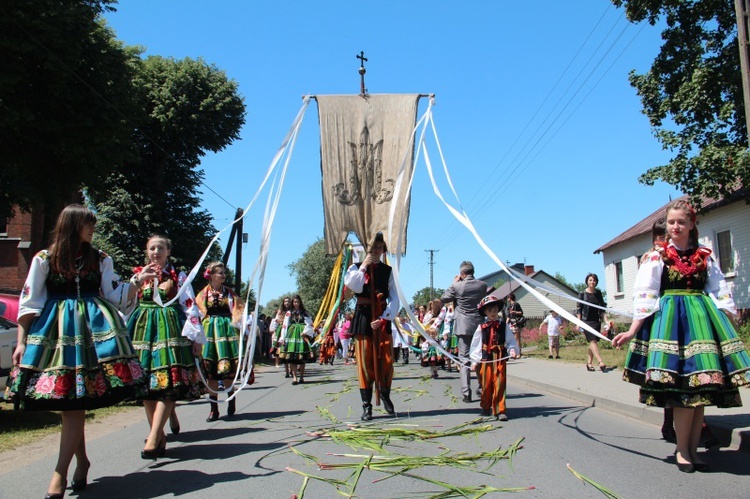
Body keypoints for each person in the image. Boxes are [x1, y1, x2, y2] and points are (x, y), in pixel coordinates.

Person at [7, 205, 151, 498]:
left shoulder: (101, 259)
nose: (93, 229)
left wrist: (137, 281)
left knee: (75, 405)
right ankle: (82, 462)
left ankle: (59, 475)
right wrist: (22, 341)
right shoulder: (44, 259)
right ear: (73, 225)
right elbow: (30, 301)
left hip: (93, 337)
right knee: (70, 403)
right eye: (88, 224)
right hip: (56, 335)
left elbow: (114, 295)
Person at [612, 200, 750, 473]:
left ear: (691, 225)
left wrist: (729, 316)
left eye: (681, 222)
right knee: (684, 392)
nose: (676, 227)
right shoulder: (658, 256)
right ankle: (682, 450)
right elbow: (647, 295)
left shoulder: (703, 256)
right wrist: (632, 330)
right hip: (671, 323)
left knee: (700, 391)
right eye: (672, 222)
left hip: (701, 322)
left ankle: (692, 450)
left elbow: (718, 288)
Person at [127, 234, 205, 460]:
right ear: (146, 251)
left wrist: (196, 339)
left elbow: (190, 307)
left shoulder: (178, 276)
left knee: (168, 382)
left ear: (168, 251)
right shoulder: (138, 275)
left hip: (170, 332)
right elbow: (126, 304)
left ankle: (152, 437)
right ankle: (158, 434)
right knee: (146, 386)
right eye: (152, 248)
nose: (156, 252)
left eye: (160, 248)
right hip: (142, 332)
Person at [344, 233, 399, 420]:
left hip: (382, 316)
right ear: (366, 249)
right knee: (365, 361)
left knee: (386, 360)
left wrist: (384, 318)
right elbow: (354, 287)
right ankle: (366, 405)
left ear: (383, 250)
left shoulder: (388, 271)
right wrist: (365, 266)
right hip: (363, 316)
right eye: (372, 247)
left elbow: (395, 297)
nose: (375, 250)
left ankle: (385, 395)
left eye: (379, 247)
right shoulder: (355, 267)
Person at [196, 262, 242, 422]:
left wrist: (236, 323)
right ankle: (213, 409)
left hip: (226, 332)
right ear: (211, 275)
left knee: (226, 370)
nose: (223, 275)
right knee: (211, 374)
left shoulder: (229, 293)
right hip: (209, 332)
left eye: (224, 273)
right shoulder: (203, 294)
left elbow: (239, 310)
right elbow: (197, 312)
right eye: (220, 273)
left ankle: (231, 398)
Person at [440, 261, 489, 403]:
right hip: (479, 325)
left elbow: (444, 298)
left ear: (462, 274)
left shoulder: (457, 286)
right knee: (480, 356)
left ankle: (466, 392)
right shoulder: (482, 285)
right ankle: (481, 388)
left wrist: (453, 282)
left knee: (464, 359)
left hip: (463, 326)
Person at [470, 295, 519, 420]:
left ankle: (500, 410)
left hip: (500, 358)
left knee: (500, 383)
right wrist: (474, 361)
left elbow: (510, 341)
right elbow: (476, 345)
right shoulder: (481, 328)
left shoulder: (503, 326)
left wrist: (512, 350)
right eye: (490, 310)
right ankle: (486, 406)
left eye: (495, 310)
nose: (493, 313)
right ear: (485, 312)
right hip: (486, 358)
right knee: (486, 384)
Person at [278, 295, 314, 384]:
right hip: (292, 334)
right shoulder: (289, 313)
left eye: (297, 302)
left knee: (302, 358)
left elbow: (309, 323)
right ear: (292, 303)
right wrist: (283, 338)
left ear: (300, 302)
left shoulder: (304, 313)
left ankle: (301, 377)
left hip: (302, 335)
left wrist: (305, 331)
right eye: (294, 302)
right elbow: (285, 325)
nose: (296, 304)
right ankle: (295, 378)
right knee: (292, 358)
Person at [576, 273, 607, 372]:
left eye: (594, 280)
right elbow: (579, 309)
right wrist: (578, 322)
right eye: (590, 280)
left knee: (592, 343)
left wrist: (606, 320)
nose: (592, 282)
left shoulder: (598, 293)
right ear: (587, 281)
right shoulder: (582, 293)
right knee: (593, 341)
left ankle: (589, 363)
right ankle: (600, 361)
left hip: (596, 321)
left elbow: (602, 309)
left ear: (596, 282)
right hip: (586, 321)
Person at [270, 297, 291, 372]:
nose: (287, 303)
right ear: (283, 302)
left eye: (288, 301)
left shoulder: (291, 311)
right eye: (285, 301)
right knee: (278, 347)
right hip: (280, 329)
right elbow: (276, 321)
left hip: (289, 329)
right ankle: (277, 363)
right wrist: (274, 331)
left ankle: (291, 366)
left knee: (289, 347)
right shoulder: (280, 311)